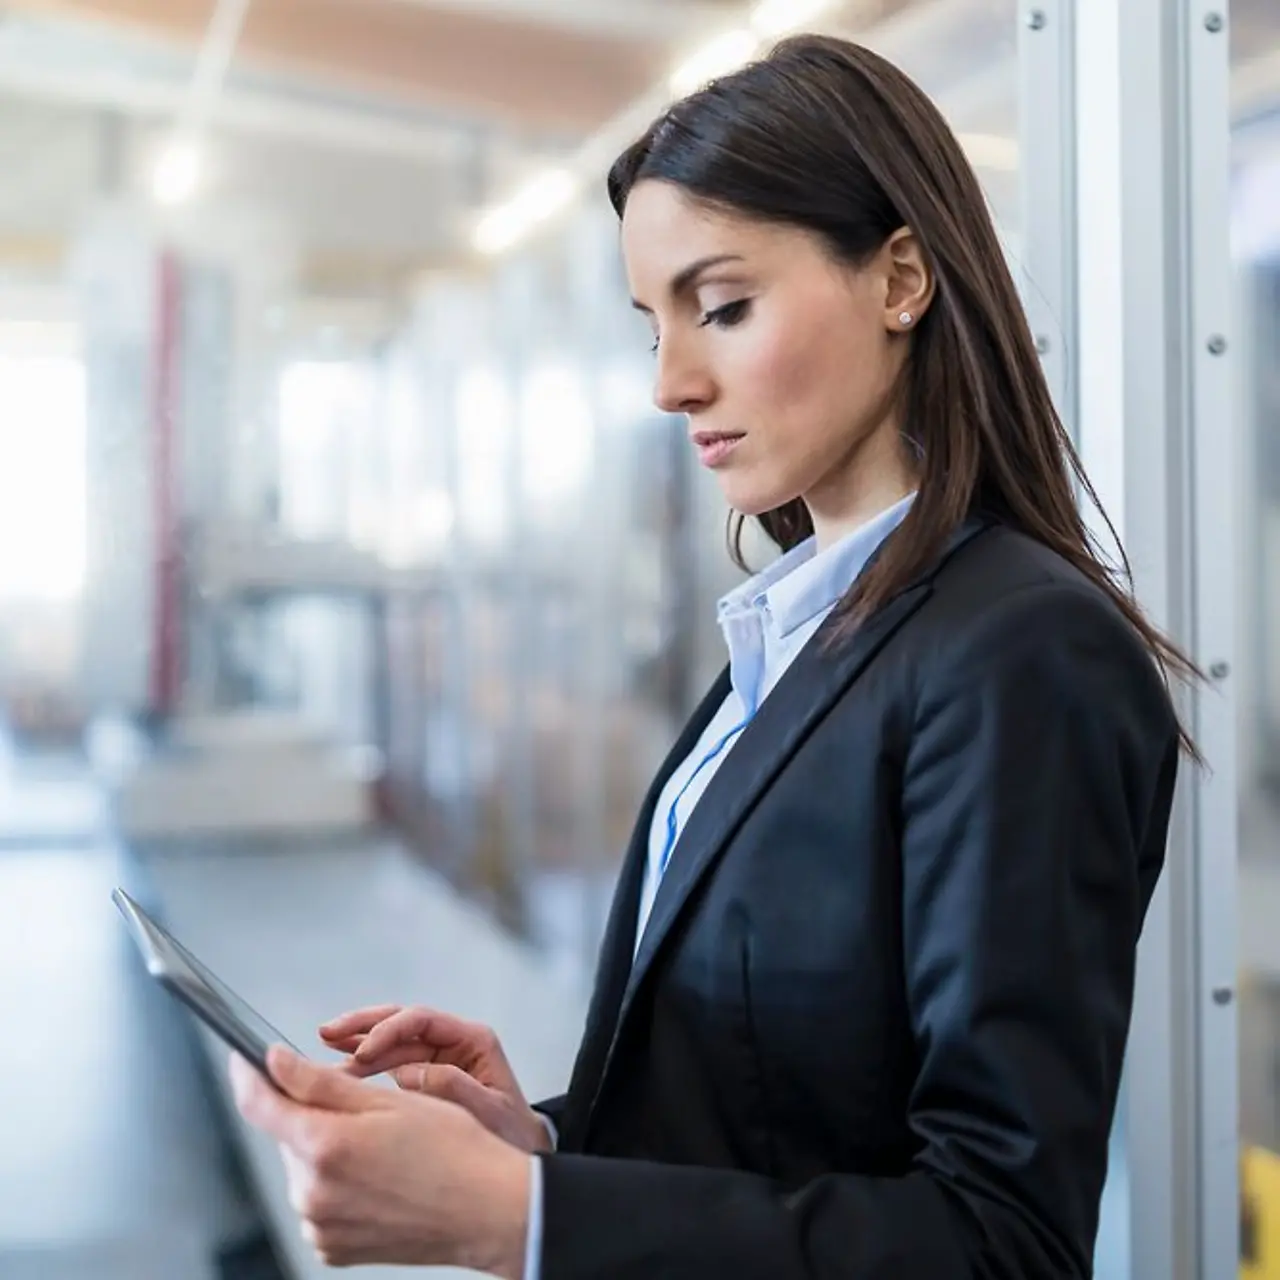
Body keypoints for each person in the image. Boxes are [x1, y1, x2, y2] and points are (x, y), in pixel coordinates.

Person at [231, 32, 1198, 1279]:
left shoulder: (1020, 653)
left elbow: (999, 1240)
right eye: (653, 325)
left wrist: (519, 1221)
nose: (670, 383)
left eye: (723, 307)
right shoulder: (796, 631)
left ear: (900, 278)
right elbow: (779, 1115)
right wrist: (539, 1149)